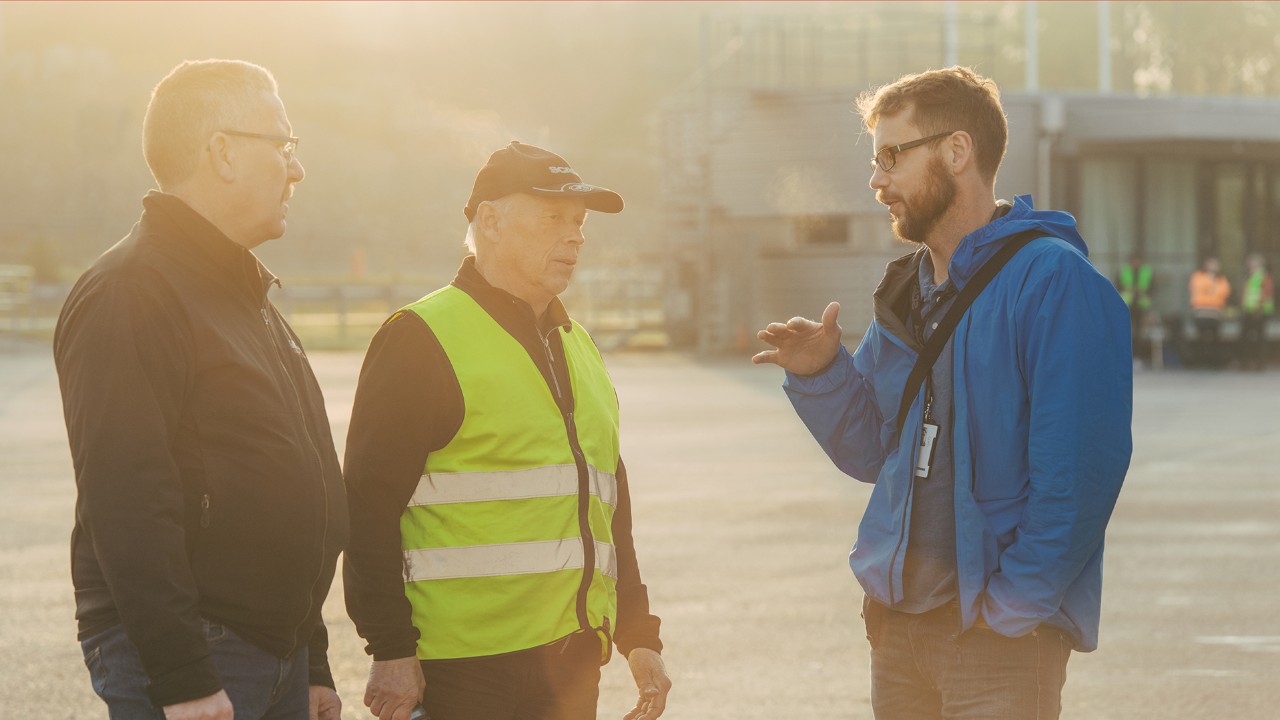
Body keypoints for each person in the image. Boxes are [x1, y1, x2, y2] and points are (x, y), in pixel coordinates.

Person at [752, 67, 1132, 719]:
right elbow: (876, 453)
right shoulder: (910, 289)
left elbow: (1078, 476)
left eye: (891, 157)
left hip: (997, 644)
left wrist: (1010, 612)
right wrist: (823, 373)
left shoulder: (1054, 284)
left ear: (957, 151)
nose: (877, 182)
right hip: (899, 633)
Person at [53, 59, 347, 720]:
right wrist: (182, 676)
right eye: (284, 145)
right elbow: (127, 497)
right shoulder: (132, 291)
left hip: (275, 651)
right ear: (222, 152)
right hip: (203, 654)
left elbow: (294, 483)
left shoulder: (244, 292)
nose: (296, 169)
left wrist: (313, 654)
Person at [342, 141, 671, 720]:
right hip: (464, 671)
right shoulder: (421, 338)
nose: (574, 236)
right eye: (552, 218)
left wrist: (638, 634)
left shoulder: (580, 346)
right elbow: (367, 508)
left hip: (571, 663)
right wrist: (390, 650)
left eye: (579, 221)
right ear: (489, 221)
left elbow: (607, 507)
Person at [1189, 256, 1231, 368]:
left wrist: (1211, 287)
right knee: (1201, 338)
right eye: (1211, 264)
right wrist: (1211, 285)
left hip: (1216, 313)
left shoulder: (1221, 279)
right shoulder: (1198, 276)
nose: (1213, 267)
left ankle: (1215, 362)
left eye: (1215, 264)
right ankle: (1200, 362)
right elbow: (1199, 289)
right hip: (1201, 312)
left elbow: (1224, 292)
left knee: (1216, 339)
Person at [1117, 253, 1154, 363]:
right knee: (1127, 332)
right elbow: (1117, 286)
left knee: (1139, 333)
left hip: (1142, 306)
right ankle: (1127, 357)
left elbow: (1152, 288)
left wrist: (1144, 294)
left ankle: (1138, 357)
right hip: (1127, 305)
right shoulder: (1124, 271)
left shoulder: (1146, 271)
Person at [1239, 253, 1274, 370]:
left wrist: (1259, 308)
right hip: (1249, 310)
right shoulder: (1249, 276)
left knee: (1259, 338)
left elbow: (1266, 293)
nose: (1249, 265)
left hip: (1259, 312)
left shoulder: (1264, 277)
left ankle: (1259, 364)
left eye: (1252, 263)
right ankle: (1247, 362)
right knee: (1246, 337)